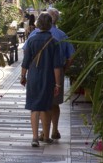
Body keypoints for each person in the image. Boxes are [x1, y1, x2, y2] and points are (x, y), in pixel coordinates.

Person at [27, 8, 75, 140]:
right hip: (56, 76)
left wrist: (26, 73)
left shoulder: (33, 35)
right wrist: (63, 69)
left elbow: (26, 53)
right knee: (54, 104)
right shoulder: (62, 35)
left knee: (40, 104)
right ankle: (54, 130)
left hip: (37, 76)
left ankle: (42, 133)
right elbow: (71, 56)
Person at [20, 12, 61, 147]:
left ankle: (35, 137)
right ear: (50, 25)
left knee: (34, 107)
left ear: (38, 24)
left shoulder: (31, 40)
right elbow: (56, 66)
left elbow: (25, 61)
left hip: (33, 77)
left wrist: (23, 76)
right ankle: (46, 136)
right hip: (48, 78)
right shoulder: (54, 42)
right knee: (46, 107)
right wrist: (58, 84)